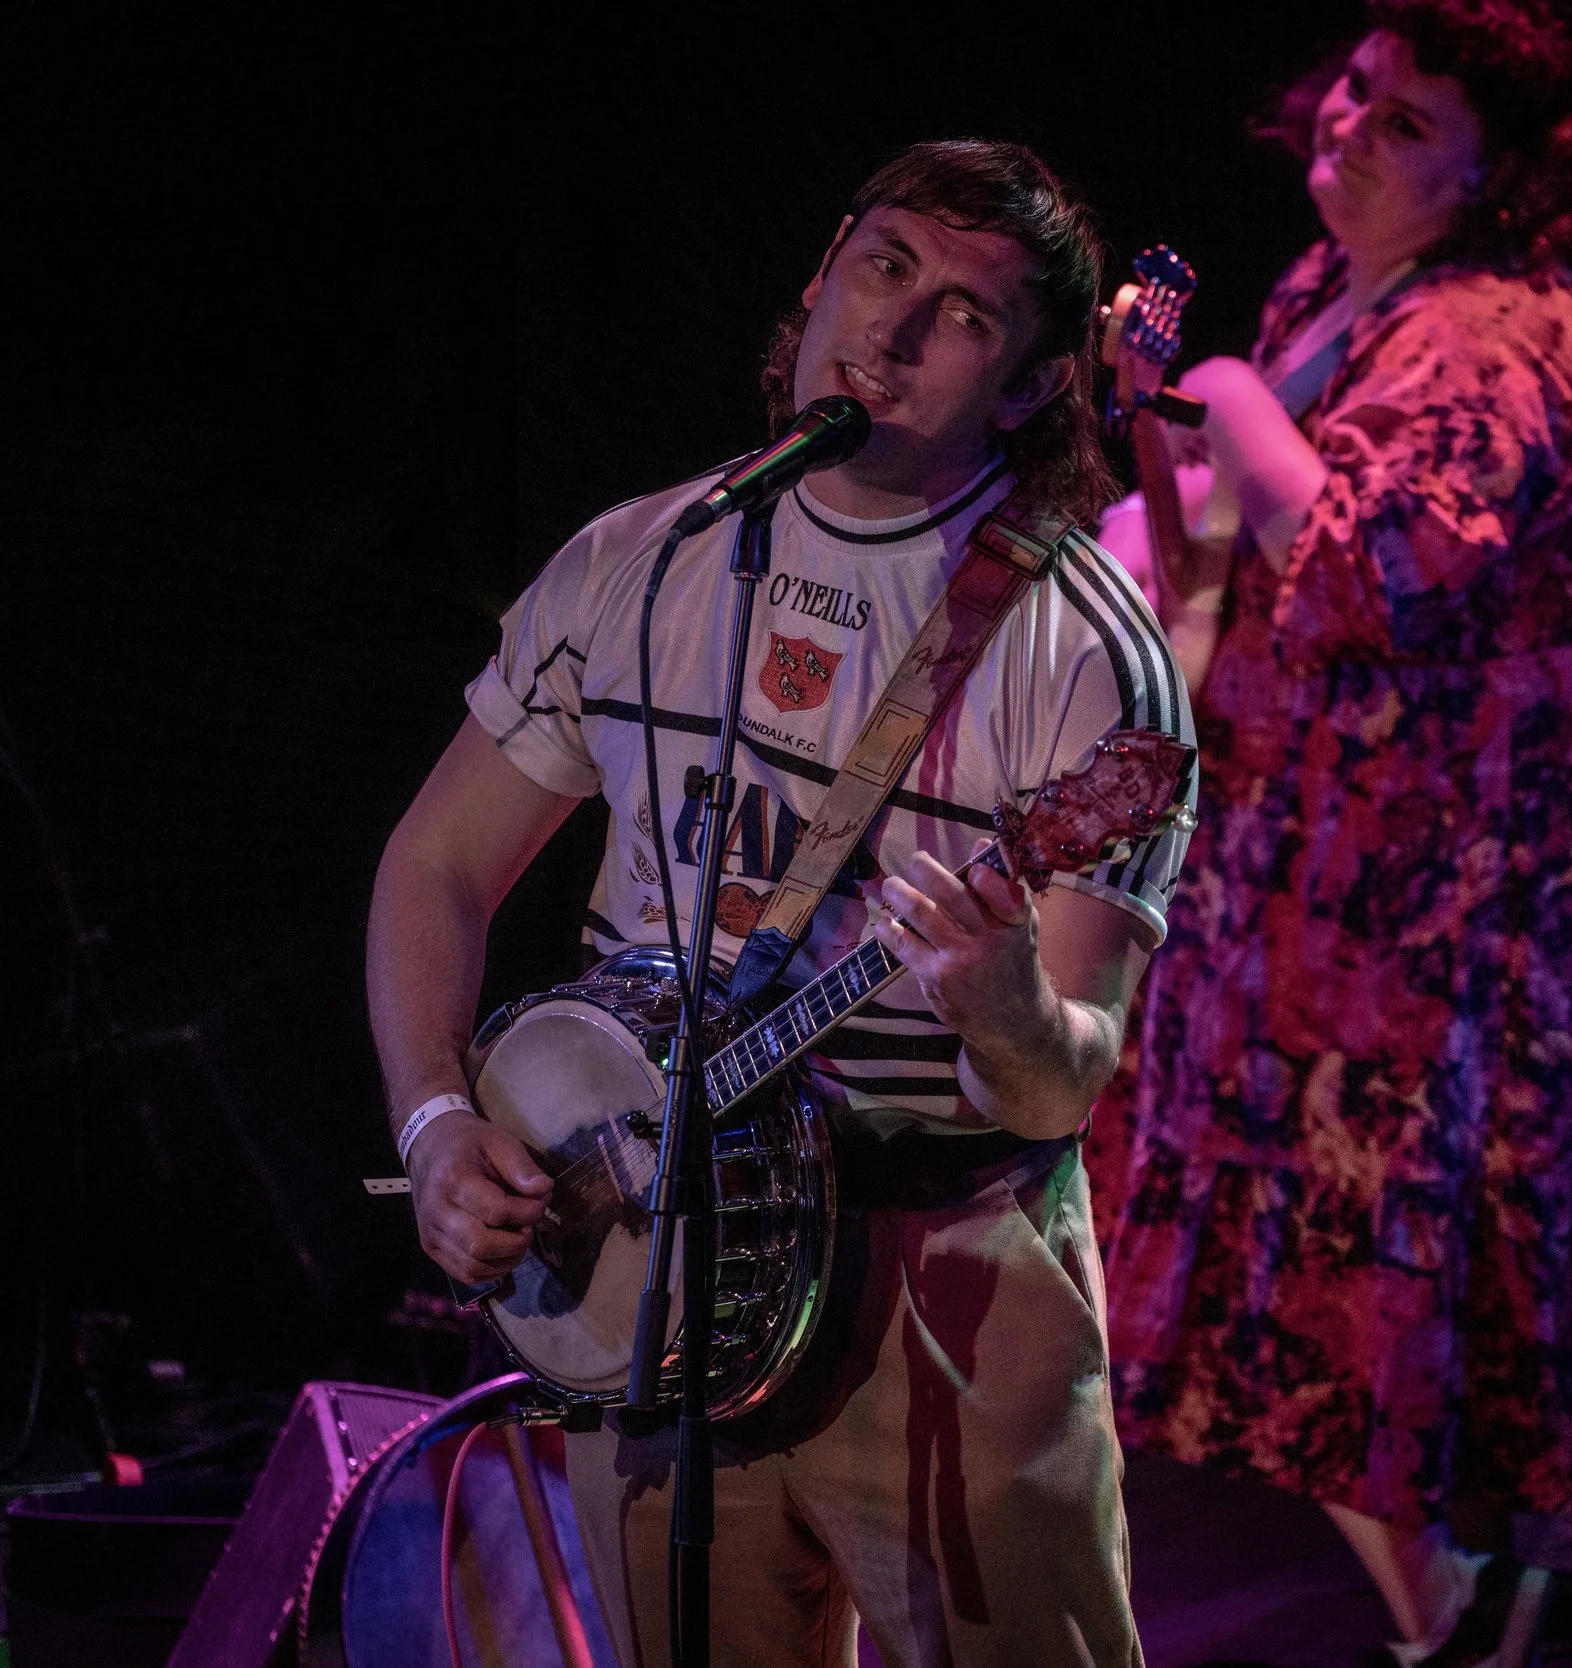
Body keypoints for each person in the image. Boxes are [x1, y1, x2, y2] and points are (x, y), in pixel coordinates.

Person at [368, 139, 1189, 1668]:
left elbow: (1064, 1080)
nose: (891, 328)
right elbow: (435, 866)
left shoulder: (1088, 655)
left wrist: (1007, 1008)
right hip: (651, 1263)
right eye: (883, 268)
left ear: (1027, 386)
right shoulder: (647, 558)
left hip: (941, 1278)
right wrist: (431, 1125)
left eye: (962, 312)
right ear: (818, 280)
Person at [1097, 5, 1572, 1664]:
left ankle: (1455, 1611)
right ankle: (1447, 1610)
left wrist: (1229, 396)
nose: (1352, 125)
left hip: (1442, 924)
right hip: (1330, 892)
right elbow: (1226, 549)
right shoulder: (1347, 297)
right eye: (1356, 86)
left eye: (1409, 121)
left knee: (1384, 1285)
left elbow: (1362, 569)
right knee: (1297, 1281)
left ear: (1495, 176)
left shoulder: (1498, 337)